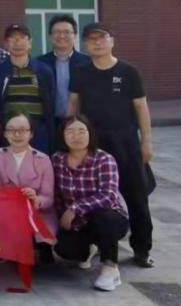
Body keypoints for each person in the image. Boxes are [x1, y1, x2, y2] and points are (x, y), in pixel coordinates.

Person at [68, 22, 154, 268]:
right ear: (85, 44)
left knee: (136, 195)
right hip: (93, 144)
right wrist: (69, 137)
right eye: (91, 39)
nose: (97, 43)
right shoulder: (81, 72)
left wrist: (147, 141)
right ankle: (95, 243)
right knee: (92, 194)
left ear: (112, 41)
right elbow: (73, 105)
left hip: (126, 143)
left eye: (102, 38)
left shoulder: (129, 72)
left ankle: (142, 248)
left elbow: (141, 108)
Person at [52, 115, 129, 291]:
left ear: (90, 134)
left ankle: (110, 267)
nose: (76, 136)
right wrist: (61, 219)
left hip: (109, 217)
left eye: (82, 131)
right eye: (70, 132)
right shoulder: (57, 159)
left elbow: (109, 195)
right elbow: (56, 195)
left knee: (104, 217)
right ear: (62, 135)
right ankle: (92, 247)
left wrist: (75, 208)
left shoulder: (104, 159)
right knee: (66, 250)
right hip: (78, 223)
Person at [0, 113, 56, 264]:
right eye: (11, 130)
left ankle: (39, 245)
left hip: (37, 212)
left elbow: (48, 197)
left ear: (31, 134)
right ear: (5, 133)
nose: (17, 134)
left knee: (39, 253)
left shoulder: (43, 159)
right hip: (8, 210)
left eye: (22, 130)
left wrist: (36, 199)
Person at [0, 24, 56, 154]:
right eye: (12, 39)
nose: (17, 43)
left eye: (22, 38)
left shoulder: (44, 71)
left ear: (30, 43)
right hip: (9, 133)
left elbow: (50, 104)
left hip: (38, 132)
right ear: (6, 44)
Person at [36, 14, 90, 144]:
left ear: (75, 35)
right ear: (50, 36)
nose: (61, 36)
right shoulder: (39, 63)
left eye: (66, 32)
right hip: (49, 123)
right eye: (57, 32)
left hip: (80, 123)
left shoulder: (88, 63)